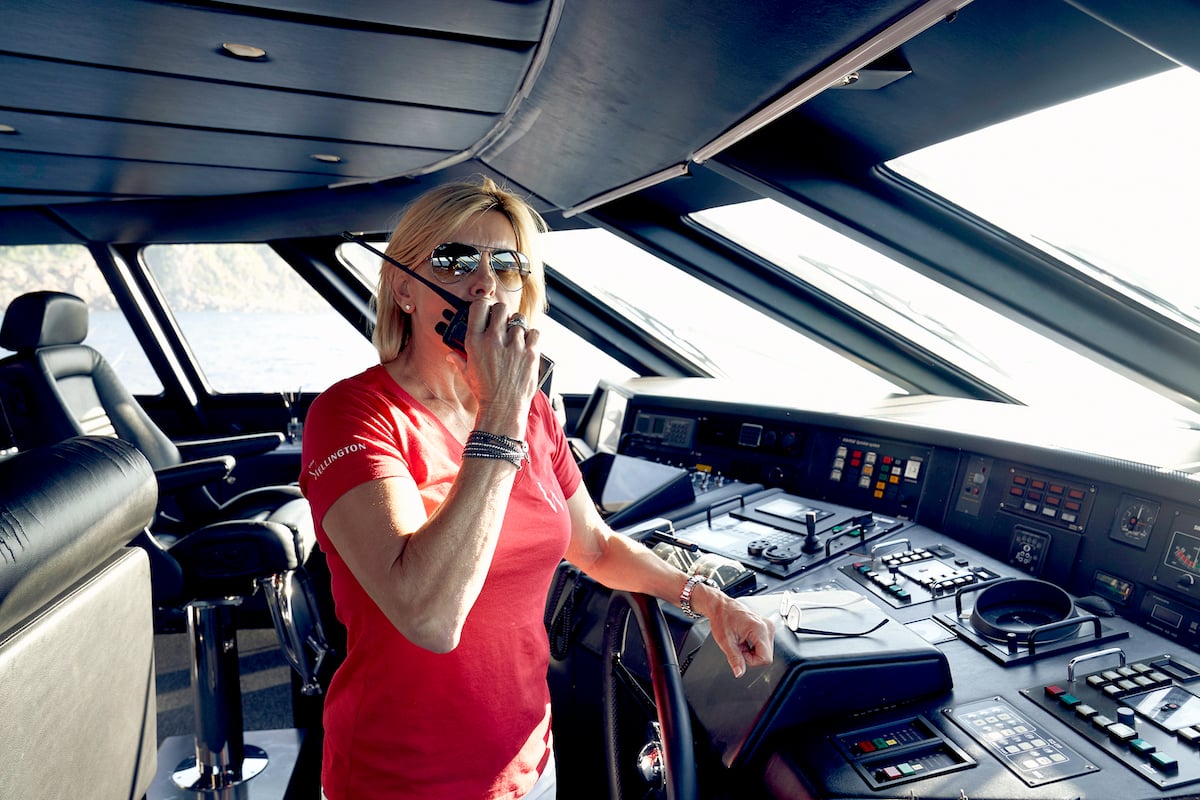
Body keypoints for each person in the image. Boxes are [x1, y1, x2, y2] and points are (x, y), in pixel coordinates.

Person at [300, 177, 775, 800]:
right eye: (454, 258)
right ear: (403, 288)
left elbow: (598, 548)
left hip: (528, 765)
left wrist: (704, 598)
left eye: (507, 264)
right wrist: (499, 415)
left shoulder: (532, 413)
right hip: (402, 779)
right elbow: (429, 615)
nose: (484, 283)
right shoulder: (353, 415)